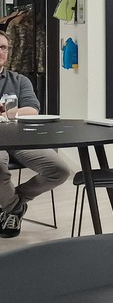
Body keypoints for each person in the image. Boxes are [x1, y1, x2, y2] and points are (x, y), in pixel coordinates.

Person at [0, 30, 71, 238]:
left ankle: (12, 204)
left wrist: (4, 111)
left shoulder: (19, 80)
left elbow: (32, 110)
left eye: (4, 47)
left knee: (59, 170)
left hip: (23, 140)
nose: (1, 51)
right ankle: (14, 209)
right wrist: (12, 111)